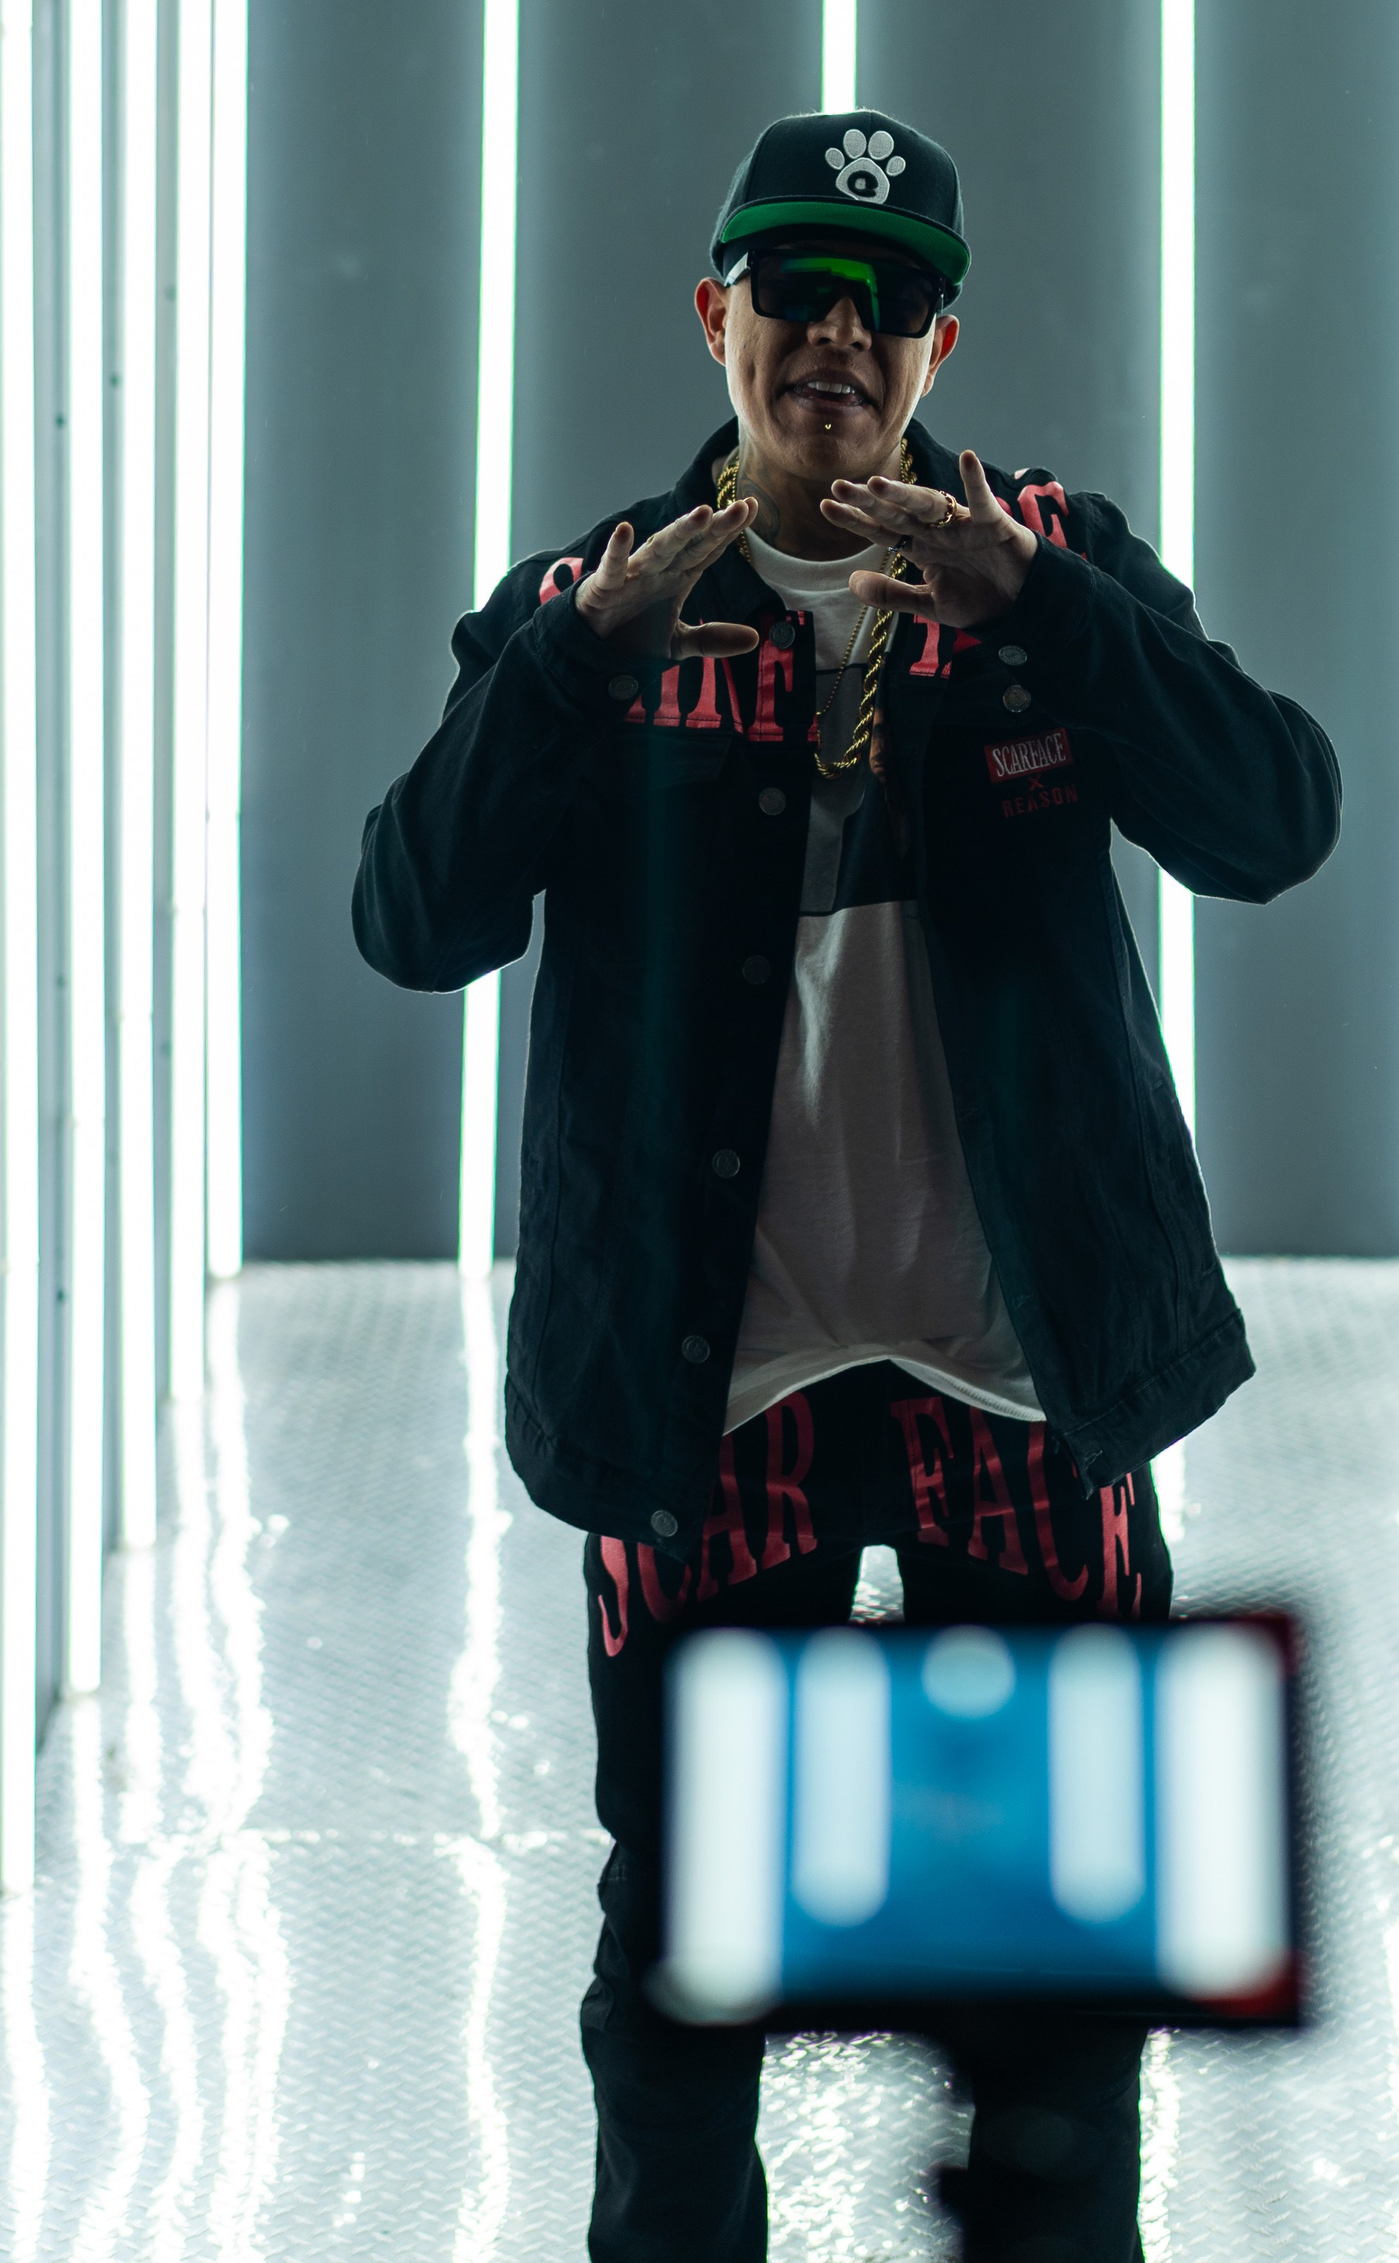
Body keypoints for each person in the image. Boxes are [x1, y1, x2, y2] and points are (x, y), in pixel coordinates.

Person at [353, 109, 1340, 2262]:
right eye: (796, 288)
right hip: (714, 1401)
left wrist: (1051, 615)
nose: (839, 331)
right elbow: (414, 919)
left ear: (939, 344)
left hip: (1021, 1386)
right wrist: (563, 674)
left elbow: (1272, 822)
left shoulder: (1049, 556)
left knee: (1061, 1986)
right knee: (687, 1983)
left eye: (888, 300)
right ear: (714, 316)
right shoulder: (597, 604)